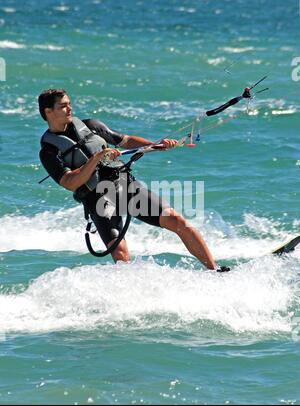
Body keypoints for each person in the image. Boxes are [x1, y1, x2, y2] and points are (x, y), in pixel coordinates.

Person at [38, 88, 229, 272]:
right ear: (48, 111)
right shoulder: (49, 151)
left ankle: (215, 270)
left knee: (177, 221)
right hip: (97, 199)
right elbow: (69, 182)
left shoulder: (90, 126)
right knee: (120, 253)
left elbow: (125, 141)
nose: (70, 109)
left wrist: (155, 145)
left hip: (123, 185)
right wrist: (96, 158)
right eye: (63, 106)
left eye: (69, 104)